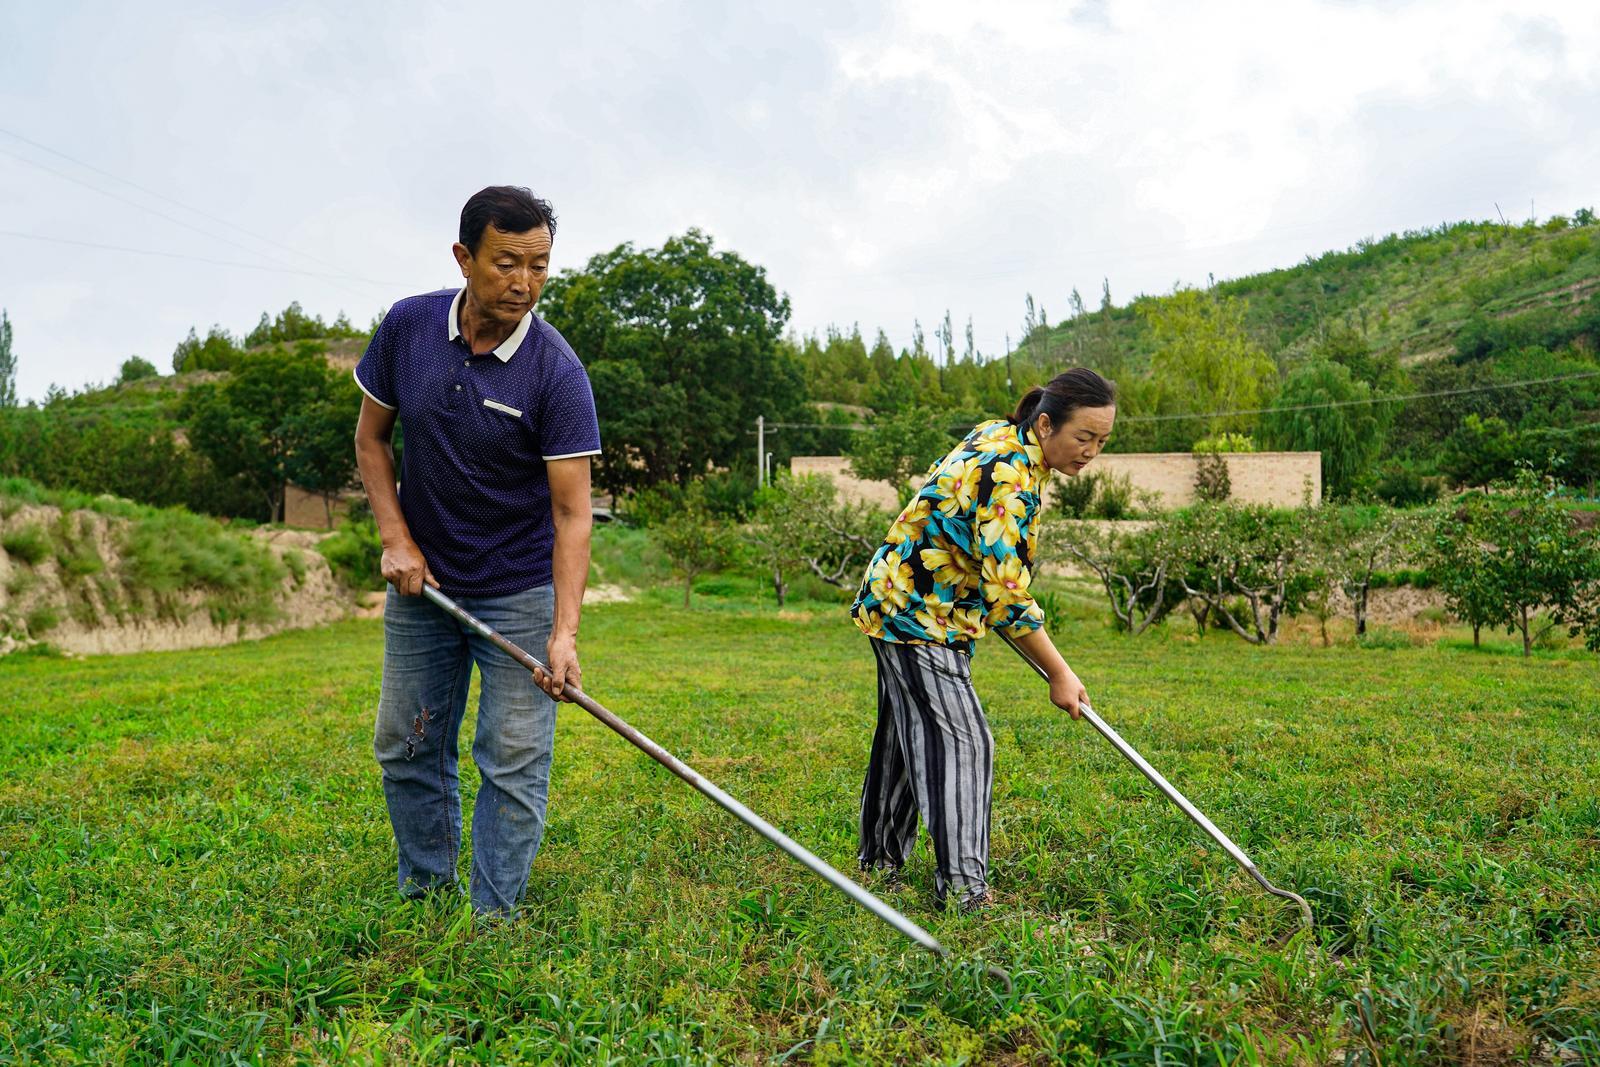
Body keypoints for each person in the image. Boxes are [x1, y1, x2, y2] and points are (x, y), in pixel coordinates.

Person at [352, 186, 600, 914]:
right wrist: (396, 540)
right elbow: (371, 441)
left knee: (514, 758)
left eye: (539, 265)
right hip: (423, 586)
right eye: (506, 263)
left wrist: (564, 633)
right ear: (464, 257)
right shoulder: (408, 327)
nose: (524, 282)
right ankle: (427, 894)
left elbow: (573, 514)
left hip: (519, 590)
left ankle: (494, 918)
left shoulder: (557, 373)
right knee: (407, 743)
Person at [849, 368, 1116, 913]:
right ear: (1047, 424)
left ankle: (878, 863)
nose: (1091, 452)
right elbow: (1007, 595)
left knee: (907, 737)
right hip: (918, 615)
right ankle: (965, 892)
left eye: (1102, 441)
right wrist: (1060, 673)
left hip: (904, 598)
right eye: (1084, 437)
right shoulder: (1009, 475)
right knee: (965, 744)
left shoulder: (1006, 436)